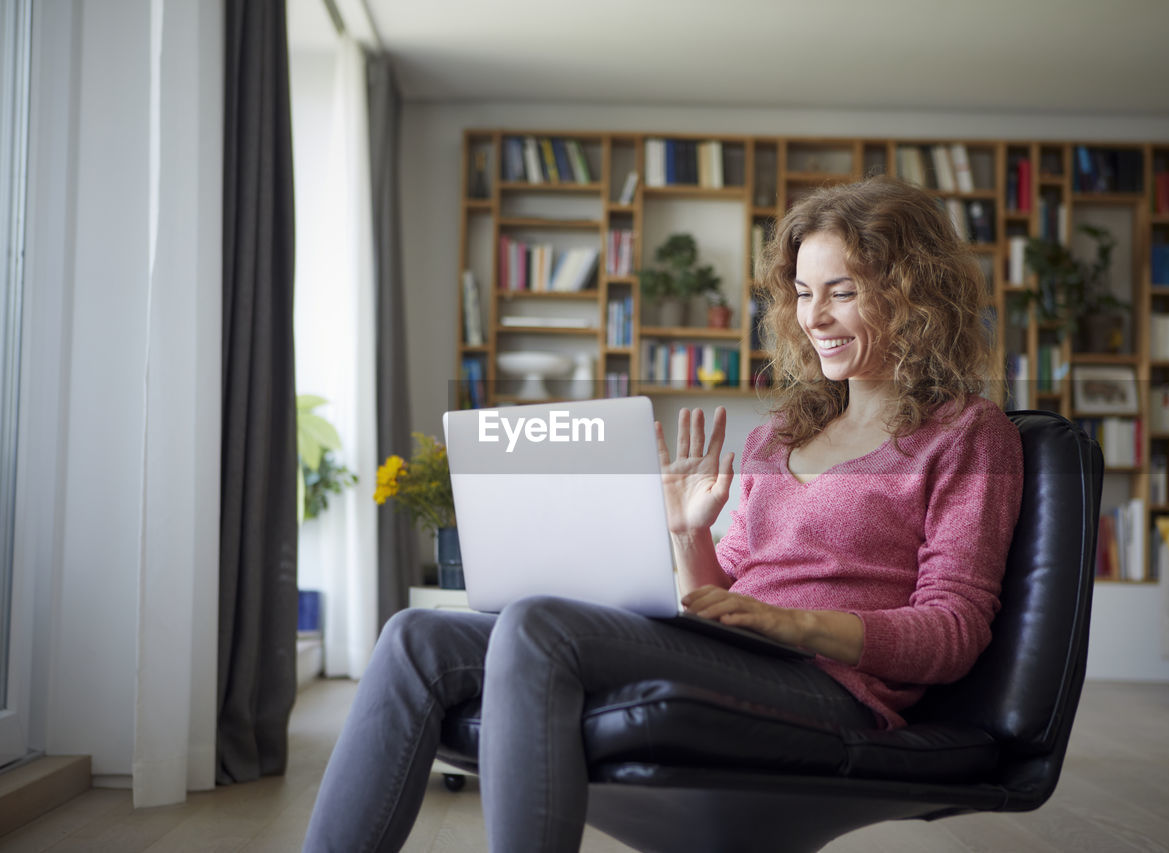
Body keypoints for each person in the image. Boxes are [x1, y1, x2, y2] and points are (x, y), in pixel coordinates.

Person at [302, 175, 1023, 853]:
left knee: (539, 623)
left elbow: (952, 629)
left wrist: (799, 624)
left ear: (909, 294)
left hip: (831, 686)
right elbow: (727, 595)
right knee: (413, 637)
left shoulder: (967, 433)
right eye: (804, 293)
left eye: (842, 291)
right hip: (746, 656)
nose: (815, 317)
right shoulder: (780, 434)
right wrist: (689, 532)